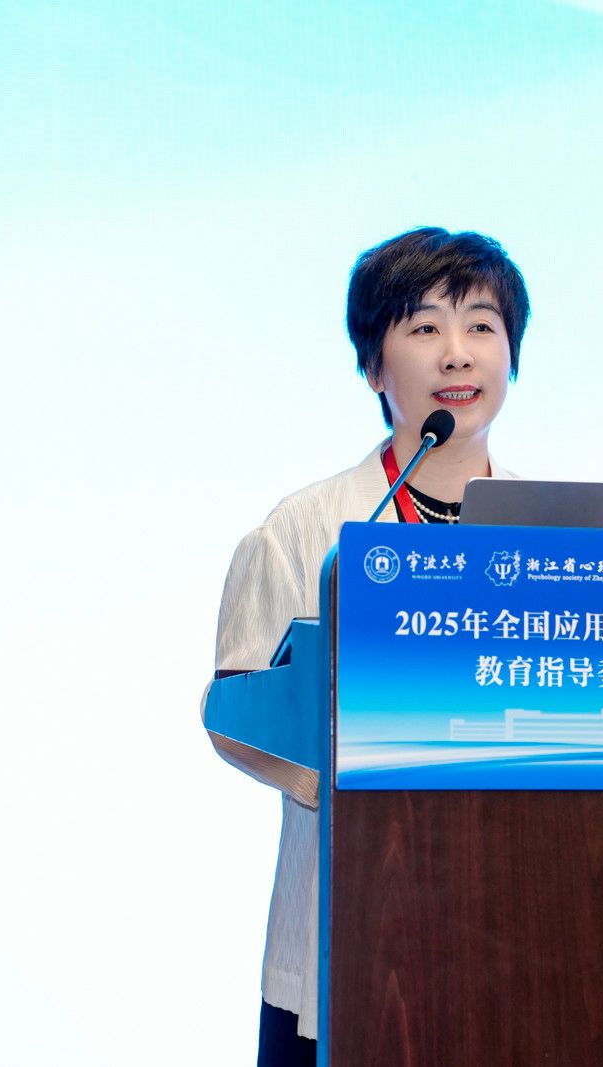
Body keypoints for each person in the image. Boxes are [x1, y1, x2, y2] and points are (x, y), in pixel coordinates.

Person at [206, 227, 531, 1064]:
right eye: (424, 327)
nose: (457, 353)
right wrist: (350, 786)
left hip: (523, 930)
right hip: (349, 926)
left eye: (482, 325)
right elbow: (233, 707)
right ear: (373, 366)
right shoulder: (307, 528)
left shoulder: (561, 541)